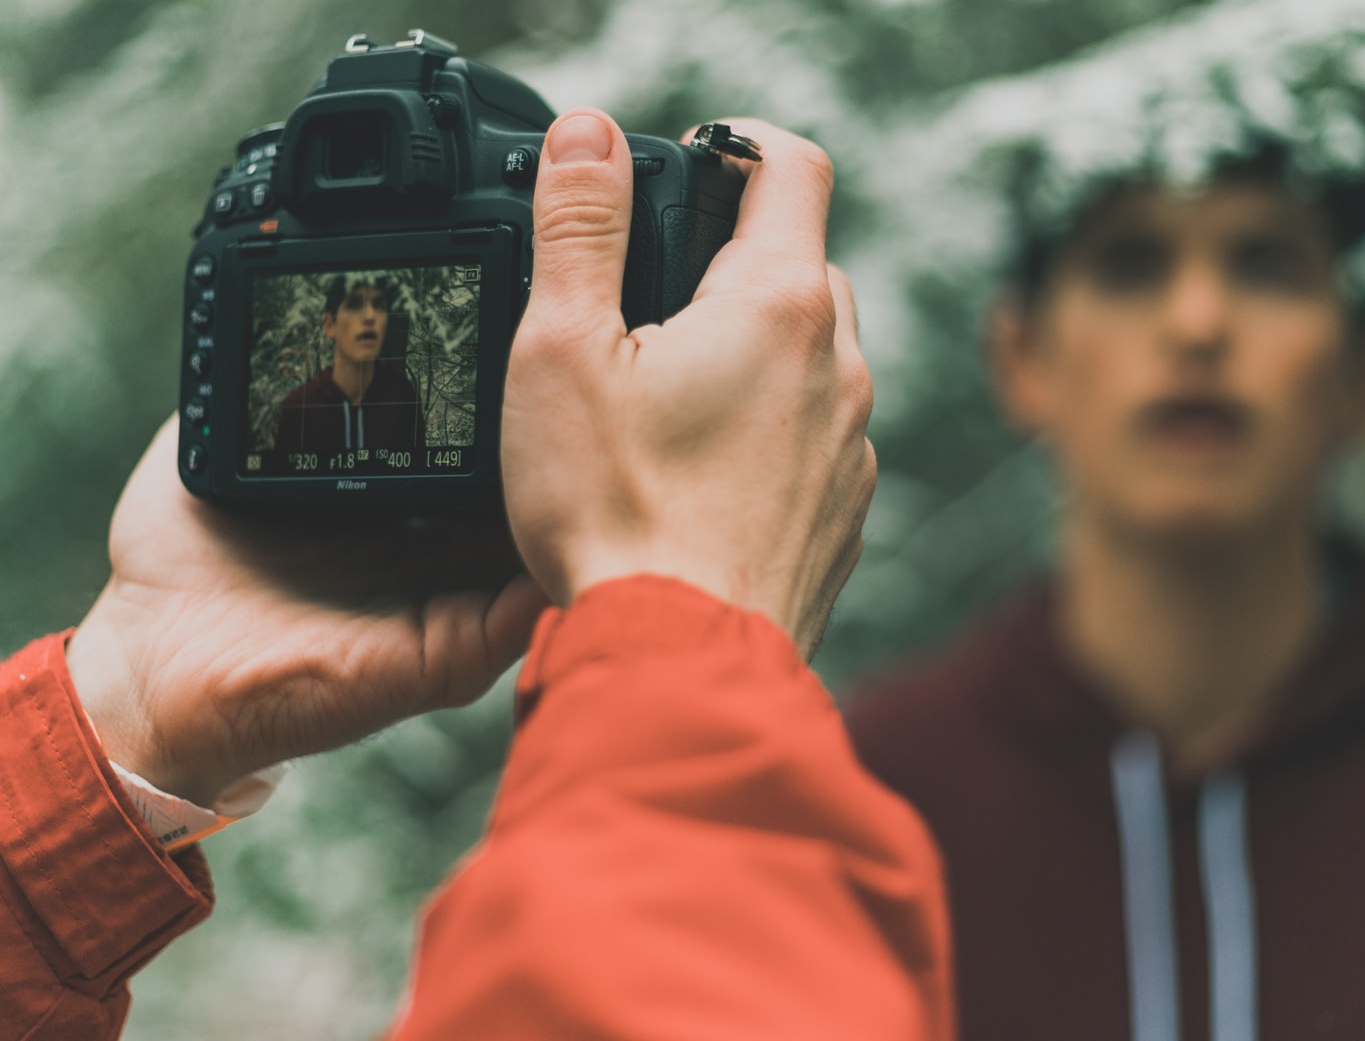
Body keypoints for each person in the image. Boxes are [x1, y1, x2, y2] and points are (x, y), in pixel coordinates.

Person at [0, 110, 952, 1040]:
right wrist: (694, 618)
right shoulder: (299, 410)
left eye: (383, 314)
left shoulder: (415, 392)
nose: (367, 330)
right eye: (352, 315)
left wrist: (123, 708)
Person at [846, 143, 1365, 1040]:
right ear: (1023, 356)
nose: (1197, 322)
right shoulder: (877, 798)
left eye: (1268, 266)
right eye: (1129, 265)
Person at [272, 275, 426, 461]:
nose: (370, 316)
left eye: (378, 305)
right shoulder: (299, 407)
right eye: (354, 304)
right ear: (329, 326)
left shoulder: (402, 395)